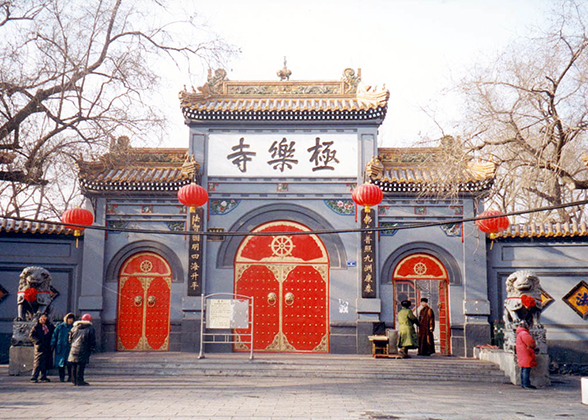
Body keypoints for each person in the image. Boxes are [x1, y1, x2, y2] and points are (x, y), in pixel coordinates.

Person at [68, 313, 96, 386]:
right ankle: (80, 380)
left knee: (74, 364)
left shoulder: (74, 327)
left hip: (74, 348)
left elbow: (70, 339)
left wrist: (72, 344)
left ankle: (74, 380)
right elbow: (92, 340)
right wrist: (92, 348)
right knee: (81, 365)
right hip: (83, 348)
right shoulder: (90, 328)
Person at [29, 312, 55, 383]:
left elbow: (54, 333)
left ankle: (43, 376)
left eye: (45, 317)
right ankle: (34, 376)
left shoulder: (49, 326)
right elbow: (31, 336)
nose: (43, 319)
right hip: (40, 346)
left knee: (45, 362)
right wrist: (38, 342)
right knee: (38, 362)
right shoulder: (36, 326)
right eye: (42, 318)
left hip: (47, 346)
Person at [52, 313, 75, 382]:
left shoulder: (73, 327)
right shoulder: (60, 327)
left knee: (69, 363)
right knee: (61, 364)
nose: (70, 320)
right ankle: (61, 377)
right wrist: (52, 344)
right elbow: (54, 336)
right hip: (60, 347)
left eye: (71, 319)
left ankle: (70, 377)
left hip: (69, 347)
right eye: (69, 319)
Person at [516, 320, 537, 389]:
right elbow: (530, 342)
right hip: (526, 353)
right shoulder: (524, 333)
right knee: (526, 369)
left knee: (523, 368)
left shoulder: (520, 333)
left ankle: (523, 383)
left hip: (522, 353)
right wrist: (534, 345)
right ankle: (526, 384)